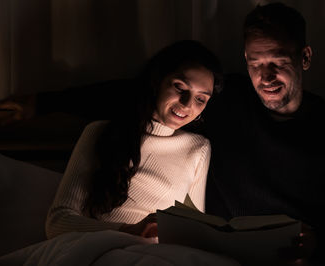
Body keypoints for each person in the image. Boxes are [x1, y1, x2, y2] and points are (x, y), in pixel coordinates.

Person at [202, 3, 325, 265]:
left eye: (278, 62)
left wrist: (318, 246)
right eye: (255, 64)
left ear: (305, 58)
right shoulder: (227, 104)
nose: (266, 77)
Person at [45, 40, 223, 239]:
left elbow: (195, 231)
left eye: (200, 99)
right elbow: (57, 222)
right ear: (157, 81)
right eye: (180, 88)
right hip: (98, 249)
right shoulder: (100, 132)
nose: (187, 104)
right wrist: (129, 231)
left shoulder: (198, 148)